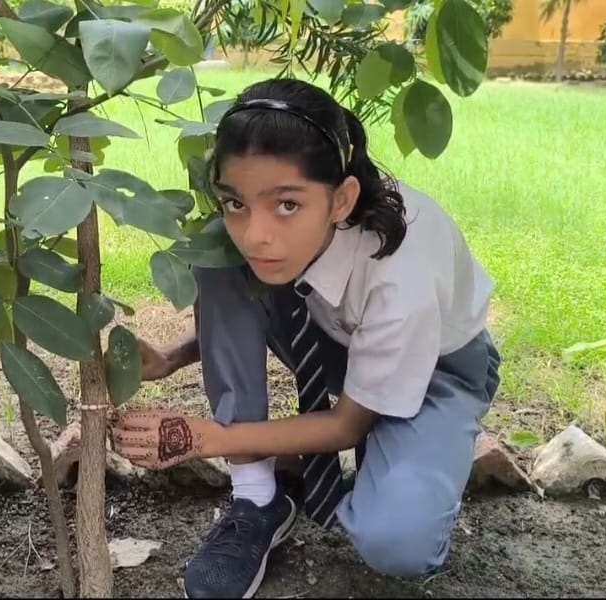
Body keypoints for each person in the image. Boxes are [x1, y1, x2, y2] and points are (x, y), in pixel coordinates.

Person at [108, 77, 502, 599]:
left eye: (287, 205)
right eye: (235, 202)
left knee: (397, 541)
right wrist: (174, 355)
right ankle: (257, 498)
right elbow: (250, 289)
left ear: (343, 200)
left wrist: (212, 438)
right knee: (218, 255)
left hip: (437, 370)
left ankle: (403, 458)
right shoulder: (275, 236)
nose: (255, 233)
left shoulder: (402, 273)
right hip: (333, 337)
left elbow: (345, 423)